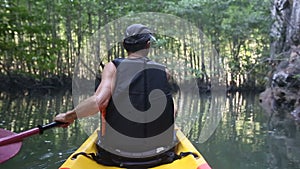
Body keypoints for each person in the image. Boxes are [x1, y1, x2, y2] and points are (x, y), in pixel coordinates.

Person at [54, 24, 176, 167]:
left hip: (116, 154)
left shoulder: (113, 67)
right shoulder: (164, 72)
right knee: (171, 102)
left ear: (125, 45)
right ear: (147, 45)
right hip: (159, 154)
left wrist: (68, 116)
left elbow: (99, 102)